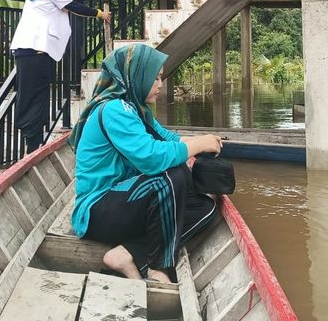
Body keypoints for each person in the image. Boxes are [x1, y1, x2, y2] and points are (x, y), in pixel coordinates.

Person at [69, 43, 224, 283]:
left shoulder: (137, 110)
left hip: (125, 200)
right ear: (136, 76)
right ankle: (158, 268)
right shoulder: (114, 110)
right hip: (96, 210)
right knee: (172, 177)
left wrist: (204, 141)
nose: (160, 85)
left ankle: (126, 254)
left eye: (161, 78)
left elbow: (169, 139)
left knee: (205, 209)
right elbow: (151, 158)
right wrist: (198, 145)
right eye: (155, 78)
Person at [10, 0, 110, 152]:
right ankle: (33, 146)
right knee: (36, 98)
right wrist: (100, 14)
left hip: (27, 51)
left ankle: (31, 144)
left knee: (28, 97)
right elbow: (72, 6)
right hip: (37, 51)